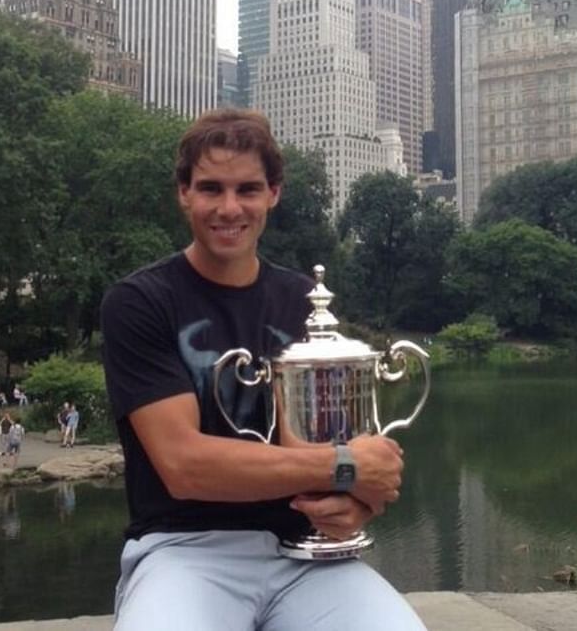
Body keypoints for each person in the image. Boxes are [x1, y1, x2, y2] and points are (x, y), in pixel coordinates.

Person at [100, 109, 420, 630]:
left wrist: (356, 505)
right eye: (211, 189)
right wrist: (345, 467)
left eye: (247, 189)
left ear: (273, 192)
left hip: (305, 556)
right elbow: (183, 465)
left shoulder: (301, 302)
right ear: (184, 192)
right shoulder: (141, 302)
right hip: (184, 551)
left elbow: (338, 451)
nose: (229, 208)